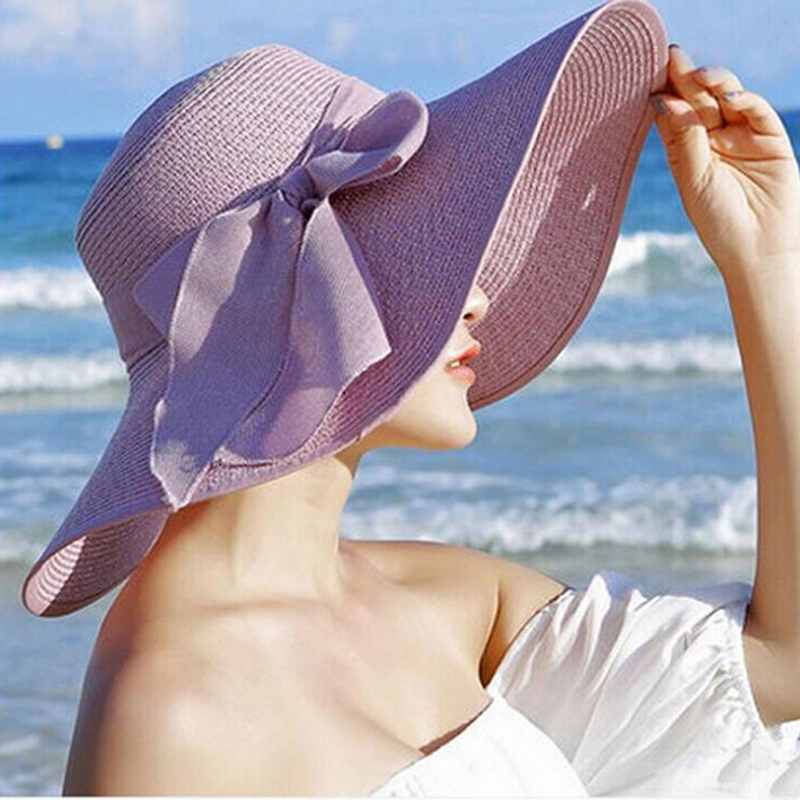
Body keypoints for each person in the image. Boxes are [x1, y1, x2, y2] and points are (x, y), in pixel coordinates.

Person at [20, 0, 800, 796]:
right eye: (404, 250)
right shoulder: (174, 716)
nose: (478, 298)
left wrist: (766, 259)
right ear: (284, 306)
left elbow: (783, 665)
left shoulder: (451, 601)